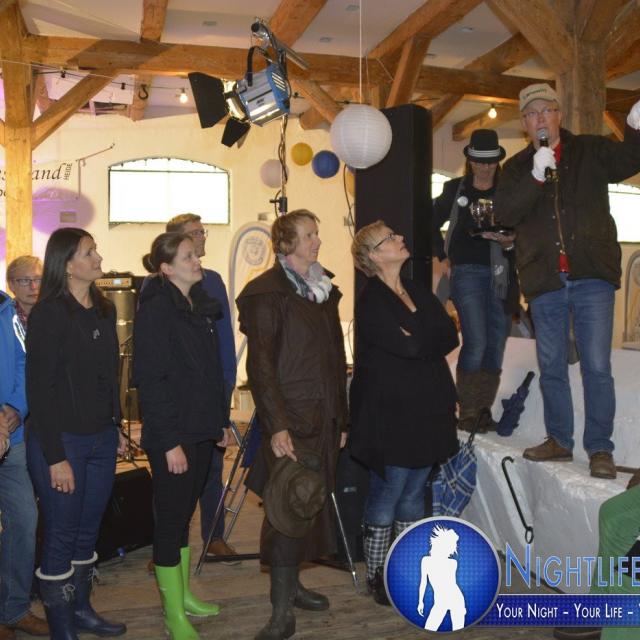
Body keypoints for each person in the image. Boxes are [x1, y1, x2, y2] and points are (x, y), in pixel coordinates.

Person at [494, 83, 640, 479]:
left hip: (591, 272)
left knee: (597, 365)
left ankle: (600, 448)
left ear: (559, 115)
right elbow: (505, 213)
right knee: (552, 364)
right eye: (532, 114)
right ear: (524, 124)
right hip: (544, 277)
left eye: (546, 110)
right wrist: (535, 176)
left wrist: (635, 125)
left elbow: (631, 157)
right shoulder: (516, 168)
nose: (540, 118)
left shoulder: (590, 149)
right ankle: (559, 439)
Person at [236, 210, 348, 640]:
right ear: (286, 244)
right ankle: (280, 612)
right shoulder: (267, 293)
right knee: (287, 507)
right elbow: (261, 366)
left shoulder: (323, 290)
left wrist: (342, 417)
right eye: (308, 235)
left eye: (317, 233)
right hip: (292, 419)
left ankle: (295, 587)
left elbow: (336, 359)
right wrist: (277, 424)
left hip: (324, 417)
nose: (316, 241)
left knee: (310, 504)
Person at [349, 221, 460, 605]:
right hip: (391, 413)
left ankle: (404, 569)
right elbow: (411, 346)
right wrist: (423, 338)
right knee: (389, 492)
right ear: (374, 254)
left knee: (414, 494)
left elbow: (448, 335)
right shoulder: (371, 300)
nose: (401, 238)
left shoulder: (416, 289)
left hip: (428, 407)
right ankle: (377, 575)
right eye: (391, 238)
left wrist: (418, 337)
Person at [25, 229, 126, 639]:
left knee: (88, 529)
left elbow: (110, 375)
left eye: (95, 250)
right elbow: (39, 390)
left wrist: (117, 425)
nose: (98, 257)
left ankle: (82, 609)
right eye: (89, 252)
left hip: (101, 438)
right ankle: (61, 626)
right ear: (67, 265)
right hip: (62, 442)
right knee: (62, 533)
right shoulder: (49, 314)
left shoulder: (103, 309)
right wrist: (55, 457)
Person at [134, 232, 231, 640]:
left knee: (185, 516)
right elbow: (151, 380)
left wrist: (220, 422)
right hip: (173, 434)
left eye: (196, 254)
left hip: (201, 427)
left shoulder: (199, 306)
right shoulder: (157, 309)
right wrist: (169, 440)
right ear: (166, 268)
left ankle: (184, 596)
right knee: (171, 521)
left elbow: (210, 373)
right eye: (188, 256)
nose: (197, 261)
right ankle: (173, 616)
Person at [432, 129, 517, 432]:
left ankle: (483, 410)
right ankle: (467, 409)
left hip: (502, 273)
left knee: (496, 342)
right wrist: (442, 257)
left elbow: (525, 227)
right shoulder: (455, 189)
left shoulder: (510, 191)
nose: (484, 167)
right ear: (470, 161)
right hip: (467, 271)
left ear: (497, 162)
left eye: (490, 162)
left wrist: (510, 240)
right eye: (479, 162)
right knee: (477, 339)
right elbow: (429, 219)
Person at [165, 213, 237, 562]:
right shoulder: (157, 286)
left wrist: (227, 382)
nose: (201, 237)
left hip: (215, 386)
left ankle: (215, 536)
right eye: (194, 233)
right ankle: (167, 544)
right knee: (174, 476)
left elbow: (224, 337)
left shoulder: (214, 281)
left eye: (202, 231)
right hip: (179, 395)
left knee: (213, 468)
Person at [0, 257, 49, 640]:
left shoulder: (5, 312)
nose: (33, 286)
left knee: (24, 521)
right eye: (25, 280)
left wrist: (15, 409)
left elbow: (23, 364)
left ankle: (13, 609)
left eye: (37, 279)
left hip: (10, 438)